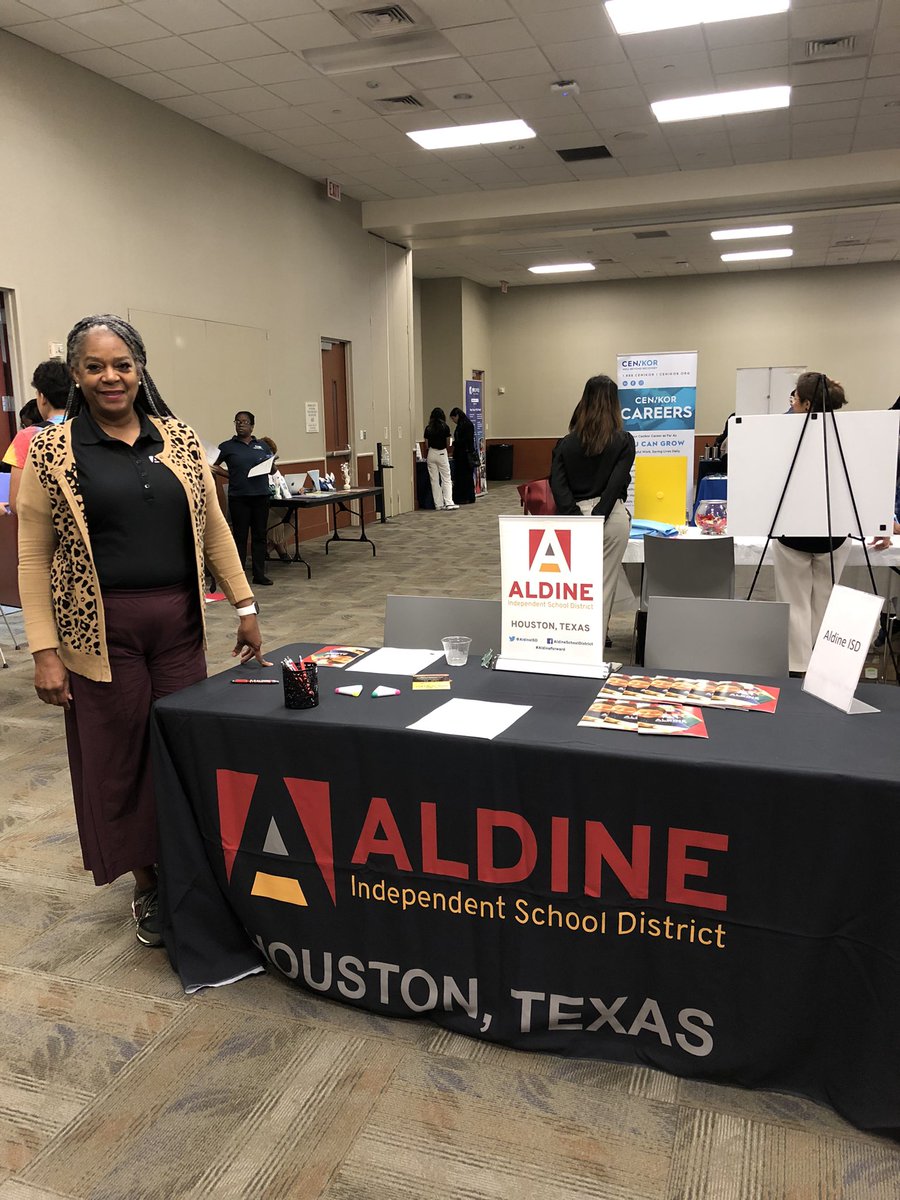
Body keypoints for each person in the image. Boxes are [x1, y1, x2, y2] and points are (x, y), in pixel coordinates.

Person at [16, 314, 269, 948]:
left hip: (180, 625)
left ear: (140, 369)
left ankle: (194, 864)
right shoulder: (52, 450)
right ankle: (149, 880)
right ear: (75, 373)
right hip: (100, 632)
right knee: (121, 757)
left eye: (122, 364)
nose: (111, 376)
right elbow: (32, 554)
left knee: (184, 747)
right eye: (96, 366)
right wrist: (44, 652)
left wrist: (244, 605)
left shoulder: (178, 439)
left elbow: (213, 527)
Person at [774, 372, 851, 674]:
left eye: (794, 397)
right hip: (834, 536)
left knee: (794, 606)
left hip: (792, 534)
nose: (791, 402)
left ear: (805, 403)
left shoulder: (781, 434)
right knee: (826, 603)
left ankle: (797, 669)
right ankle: (824, 669)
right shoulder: (851, 433)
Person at [550, 374, 635, 640]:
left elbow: (558, 486)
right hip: (611, 519)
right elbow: (615, 486)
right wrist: (598, 518)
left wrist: (578, 520)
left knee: (573, 588)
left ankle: (571, 642)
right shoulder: (624, 441)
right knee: (604, 586)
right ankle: (594, 648)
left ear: (583, 401)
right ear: (614, 404)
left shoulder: (565, 444)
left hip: (573, 519)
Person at [214, 411, 274, 585]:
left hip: (260, 496)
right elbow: (214, 466)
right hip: (239, 497)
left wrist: (270, 465)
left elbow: (273, 468)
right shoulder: (227, 446)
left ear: (252, 426)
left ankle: (259, 574)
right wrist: (229, 474)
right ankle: (238, 576)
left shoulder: (262, 445)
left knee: (259, 536)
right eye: (238, 421)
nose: (241, 424)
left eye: (245, 421)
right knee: (240, 537)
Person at [3, 360, 69, 513]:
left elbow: (17, 503)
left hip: (45, 530)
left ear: (42, 397)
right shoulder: (87, 429)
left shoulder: (28, 436)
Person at [259, 435, 292, 563]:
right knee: (276, 519)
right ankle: (281, 551)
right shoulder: (257, 468)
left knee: (292, 518)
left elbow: (281, 483)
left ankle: (268, 548)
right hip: (262, 506)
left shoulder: (274, 469)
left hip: (276, 503)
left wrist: (294, 489)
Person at [424, 406, 456, 510]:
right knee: (446, 478)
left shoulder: (428, 428)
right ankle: (448, 502)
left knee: (434, 480)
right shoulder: (445, 427)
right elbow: (448, 442)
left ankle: (438, 504)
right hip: (442, 453)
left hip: (431, 453)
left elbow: (426, 444)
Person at [449, 406, 476, 505]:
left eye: (453, 418)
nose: (453, 421)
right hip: (461, 454)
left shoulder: (466, 425)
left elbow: (467, 440)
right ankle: (465, 497)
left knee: (465, 477)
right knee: (463, 477)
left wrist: (455, 443)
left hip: (465, 455)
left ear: (457, 415)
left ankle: (466, 497)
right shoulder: (463, 424)